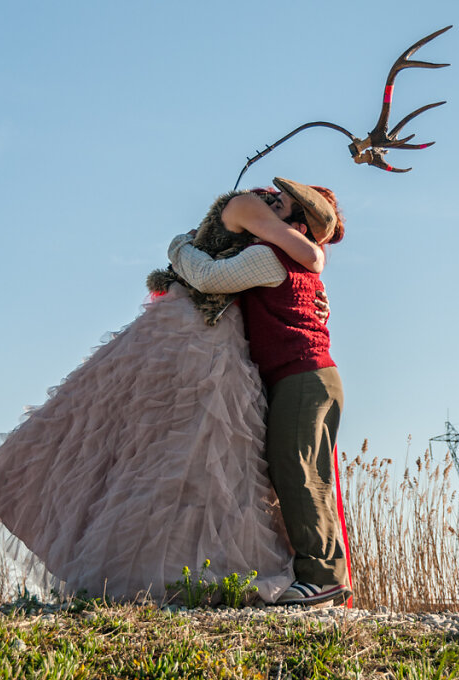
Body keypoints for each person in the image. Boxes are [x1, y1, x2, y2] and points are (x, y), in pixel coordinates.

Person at [0, 187, 329, 604]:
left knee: (193, 460)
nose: (276, 200)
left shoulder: (273, 243)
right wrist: (181, 246)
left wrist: (313, 291)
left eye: (286, 203)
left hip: (217, 343)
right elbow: (225, 273)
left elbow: (300, 265)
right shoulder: (251, 208)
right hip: (190, 337)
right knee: (147, 442)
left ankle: (180, 572)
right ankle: (137, 572)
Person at [167, 177, 350, 606]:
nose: (270, 205)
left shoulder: (270, 257)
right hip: (312, 375)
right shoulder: (291, 260)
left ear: (296, 224)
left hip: (302, 377)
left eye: (280, 205)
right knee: (308, 475)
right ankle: (325, 575)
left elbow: (209, 278)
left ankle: (322, 576)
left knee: (297, 470)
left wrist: (179, 246)